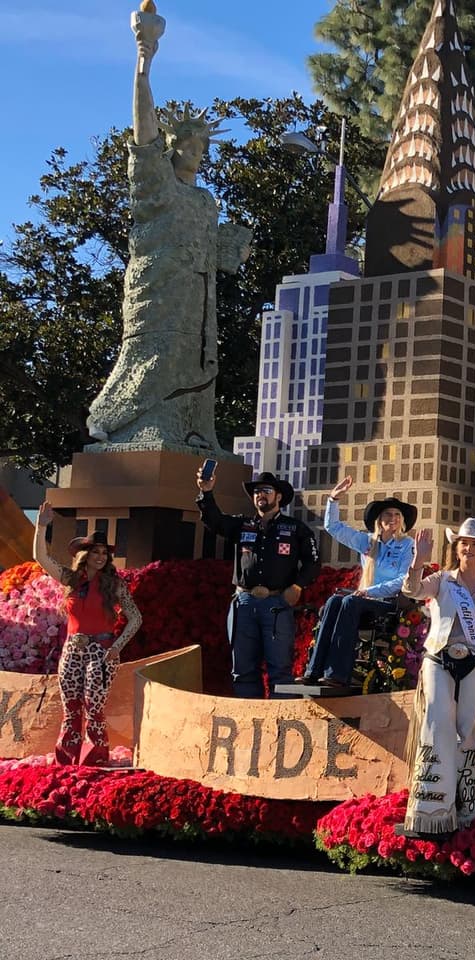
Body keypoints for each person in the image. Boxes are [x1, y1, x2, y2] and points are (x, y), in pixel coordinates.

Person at [86, 5, 251, 450]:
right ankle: (129, 423)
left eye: (201, 147)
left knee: (196, 361)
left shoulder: (205, 200)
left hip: (197, 302)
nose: (195, 152)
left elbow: (217, 253)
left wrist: (234, 246)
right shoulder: (157, 184)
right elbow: (143, 131)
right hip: (157, 292)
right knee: (153, 355)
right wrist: (145, 60)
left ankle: (193, 430)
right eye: (187, 145)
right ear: (173, 148)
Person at [399, 518, 475, 836]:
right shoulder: (443, 580)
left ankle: (466, 805)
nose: (469, 548)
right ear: (455, 549)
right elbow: (412, 590)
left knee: (467, 730)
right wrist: (417, 562)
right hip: (439, 660)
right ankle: (431, 808)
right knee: (437, 721)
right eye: (463, 543)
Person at [32, 505, 142, 765]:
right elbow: (41, 558)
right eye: (95, 551)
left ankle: (94, 760)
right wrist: (41, 526)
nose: (101, 556)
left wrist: (117, 647)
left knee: (94, 705)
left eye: (104, 552)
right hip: (72, 649)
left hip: (101, 651)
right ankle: (67, 759)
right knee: (71, 707)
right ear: (85, 554)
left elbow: (136, 617)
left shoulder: (114, 584)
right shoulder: (71, 579)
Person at [196, 470, 320, 698]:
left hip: (277, 603)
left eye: (266, 491)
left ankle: (281, 726)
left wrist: (298, 586)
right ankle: (247, 726)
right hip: (244, 603)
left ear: (279, 496)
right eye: (256, 491)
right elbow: (214, 521)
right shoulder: (242, 525)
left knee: (280, 671)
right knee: (242, 670)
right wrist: (206, 492)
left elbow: (313, 562)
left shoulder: (295, 529)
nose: (260, 495)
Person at [298, 476, 417, 687]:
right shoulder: (367, 541)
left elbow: (403, 579)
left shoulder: (408, 545)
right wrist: (333, 500)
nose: (393, 518)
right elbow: (334, 527)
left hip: (389, 602)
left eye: (397, 514)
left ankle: (337, 674)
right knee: (335, 601)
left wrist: (371, 590)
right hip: (365, 599)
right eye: (388, 514)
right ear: (379, 520)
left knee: (350, 602)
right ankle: (313, 670)